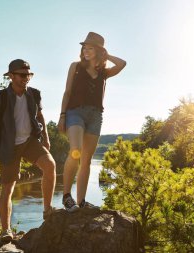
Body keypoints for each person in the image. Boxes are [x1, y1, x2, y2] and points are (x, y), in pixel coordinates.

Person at [0, 59, 56, 242]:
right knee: (8, 188)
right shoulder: (0, 98)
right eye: (22, 75)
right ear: (11, 76)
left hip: (30, 141)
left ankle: (47, 211)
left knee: (50, 166)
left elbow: (40, 116)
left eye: (29, 75)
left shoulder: (34, 94)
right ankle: (6, 230)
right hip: (9, 145)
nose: (26, 78)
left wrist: (46, 137)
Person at [58, 32, 126, 212]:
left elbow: (122, 64)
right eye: (84, 47)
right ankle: (66, 196)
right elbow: (67, 93)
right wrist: (62, 116)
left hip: (96, 116)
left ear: (98, 51)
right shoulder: (75, 67)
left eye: (90, 48)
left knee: (86, 161)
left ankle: (81, 201)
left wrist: (107, 55)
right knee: (76, 151)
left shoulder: (103, 72)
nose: (86, 50)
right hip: (75, 112)